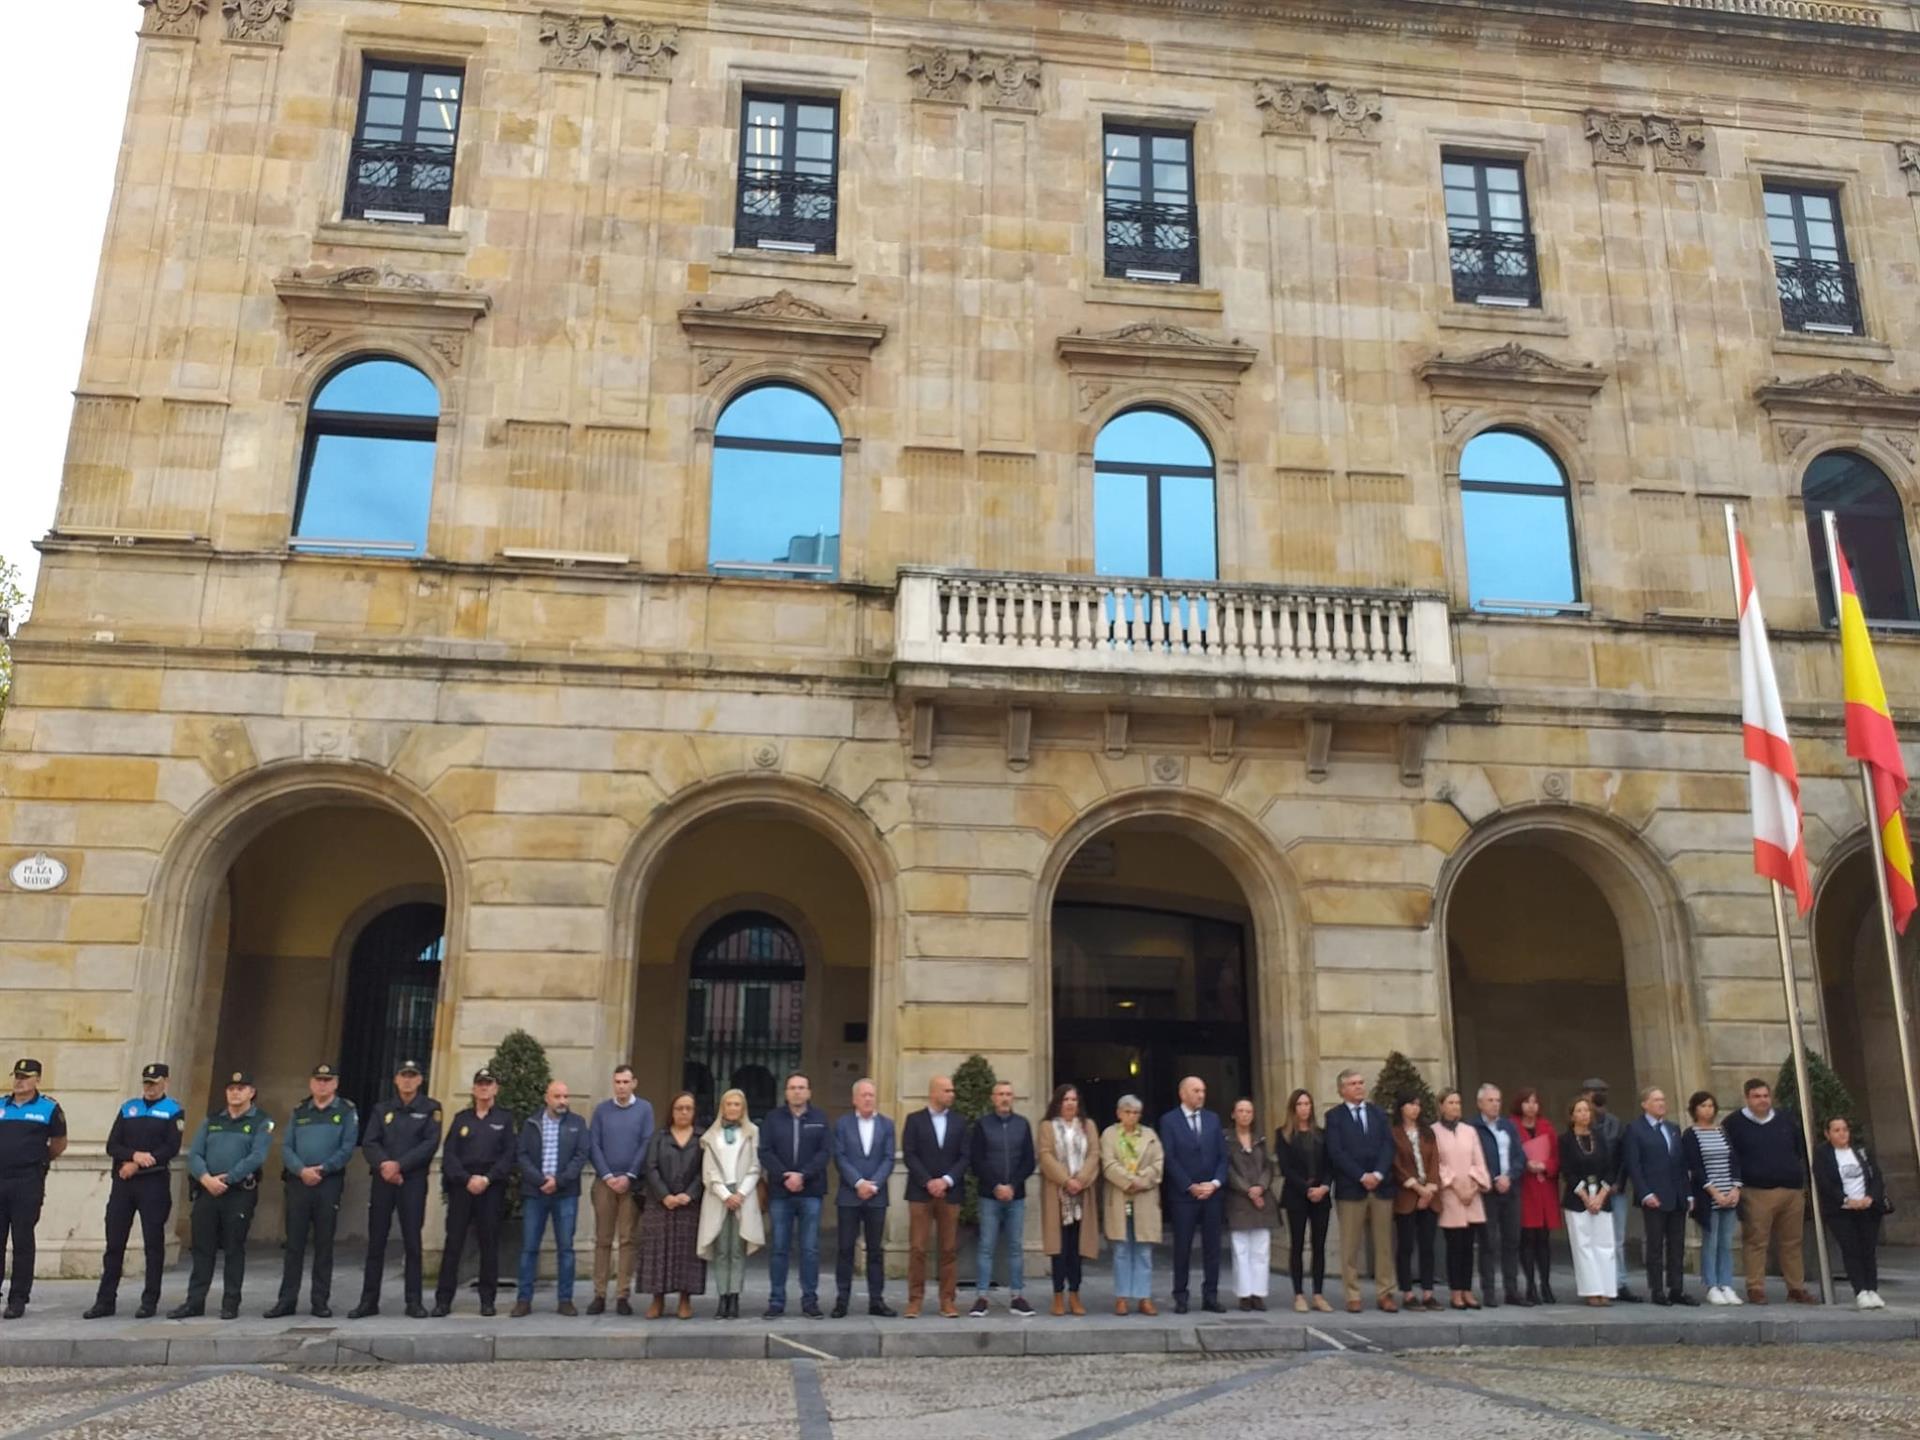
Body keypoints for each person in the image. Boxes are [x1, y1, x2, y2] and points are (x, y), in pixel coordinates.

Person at [169, 1070, 272, 1319]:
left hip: (238, 1192)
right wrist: (205, 1178)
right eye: (231, 1088)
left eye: (241, 1088)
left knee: (234, 1248)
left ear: (251, 1092)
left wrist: (228, 1178)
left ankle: (230, 1303)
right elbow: (195, 1154)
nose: (235, 1092)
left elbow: (257, 1156)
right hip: (208, 1191)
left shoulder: (262, 1121)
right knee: (202, 1249)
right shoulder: (213, 1120)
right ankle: (195, 1301)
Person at [86, 1061, 183, 1320]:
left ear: (166, 1082)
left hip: (153, 1183)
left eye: (155, 1083)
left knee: (153, 1244)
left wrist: (138, 1163)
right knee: (114, 1244)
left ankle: (149, 1300)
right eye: (147, 1083)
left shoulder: (173, 1110)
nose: (150, 1088)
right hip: (124, 1184)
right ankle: (105, 1300)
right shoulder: (129, 1108)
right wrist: (134, 1155)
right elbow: (112, 1145)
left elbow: (170, 1147)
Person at [265, 1062, 359, 1319]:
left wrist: (323, 1169)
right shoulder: (300, 1111)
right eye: (318, 1080)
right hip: (298, 1183)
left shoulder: (346, 1111)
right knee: (293, 1244)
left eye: (327, 1081)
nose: (322, 1084)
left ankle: (320, 1301)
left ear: (336, 1084)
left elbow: (348, 1146)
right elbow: (287, 1147)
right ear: (311, 1083)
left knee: (323, 1244)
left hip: (328, 1183)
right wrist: (300, 1169)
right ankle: (287, 1300)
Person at [350, 1059, 442, 1320]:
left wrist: (400, 1165)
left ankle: (413, 1301)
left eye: (413, 1076)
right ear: (396, 1079)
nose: (408, 1080)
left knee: (413, 1243)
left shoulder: (431, 1108)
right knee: (376, 1243)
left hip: (411, 1182)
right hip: (383, 1181)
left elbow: (429, 1144)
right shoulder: (382, 1109)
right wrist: (385, 1166)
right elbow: (370, 1142)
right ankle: (369, 1301)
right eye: (404, 1075)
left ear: (420, 1080)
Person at [1723, 1078, 1817, 1305]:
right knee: (1756, 1241)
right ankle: (1755, 1287)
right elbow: (1730, 1156)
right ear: (1747, 1098)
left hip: (1791, 1191)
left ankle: (1796, 1287)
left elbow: (1799, 1149)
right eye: (1757, 1096)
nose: (1762, 1100)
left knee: (1792, 1242)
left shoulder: (1786, 1119)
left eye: (1766, 1096)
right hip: (1756, 1192)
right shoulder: (1734, 1123)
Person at [432, 1067, 516, 1317]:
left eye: (488, 1084)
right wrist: (466, 1179)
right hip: (462, 1188)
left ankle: (487, 1300)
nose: (483, 1088)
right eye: (479, 1084)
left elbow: (509, 1154)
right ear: (473, 1089)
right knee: (454, 1244)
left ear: (496, 1089)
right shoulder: (461, 1119)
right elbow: (450, 1155)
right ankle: (443, 1300)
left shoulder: (504, 1119)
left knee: (489, 1245)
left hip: (491, 1189)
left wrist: (488, 1178)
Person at [514, 1078, 589, 1317]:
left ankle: (565, 1299)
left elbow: (581, 1155)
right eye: (557, 1097)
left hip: (565, 1193)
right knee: (529, 1248)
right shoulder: (531, 1123)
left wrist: (559, 1180)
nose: (562, 1101)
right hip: (535, 1193)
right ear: (547, 1098)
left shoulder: (577, 1123)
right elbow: (522, 1155)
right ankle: (524, 1299)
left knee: (566, 1248)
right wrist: (540, 1180)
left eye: (566, 1097)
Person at [1, 1059, 69, 1320]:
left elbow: (59, 1143)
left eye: (25, 1077)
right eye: (17, 1076)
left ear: (37, 1079)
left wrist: (38, 1162)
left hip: (27, 1181)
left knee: (22, 1240)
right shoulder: (1, 1105)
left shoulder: (48, 1108)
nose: (19, 1081)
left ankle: (18, 1298)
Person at [759, 1071, 831, 1319]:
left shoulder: (820, 1118)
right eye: (792, 1087)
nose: (797, 1091)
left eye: (802, 1087)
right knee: (779, 1247)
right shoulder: (772, 1118)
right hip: (781, 1192)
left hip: (811, 1192)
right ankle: (776, 1300)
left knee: (809, 1248)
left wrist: (802, 1176)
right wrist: (785, 1176)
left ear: (809, 1092)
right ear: (786, 1092)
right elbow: (765, 1152)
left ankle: (810, 1300)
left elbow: (824, 1153)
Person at [1325, 1067, 1397, 1313]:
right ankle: (1352, 1294)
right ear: (1342, 1089)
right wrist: (1360, 1175)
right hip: (1351, 1188)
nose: (1359, 1087)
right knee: (1350, 1245)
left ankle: (1385, 1292)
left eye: (1361, 1082)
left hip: (1380, 1187)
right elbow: (1336, 1152)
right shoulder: (1334, 1117)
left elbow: (1388, 1145)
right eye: (1353, 1084)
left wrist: (1377, 1174)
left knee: (1384, 1244)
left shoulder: (1378, 1114)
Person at [587, 1063, 655, 1317]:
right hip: (604, 1183)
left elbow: (646, 1142)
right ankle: (599, 1293)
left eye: (626, 1082)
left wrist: (629, 1175)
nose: (621, 1086)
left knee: (628, 1240)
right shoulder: (602, 1110)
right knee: (603, 1240)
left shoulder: (644, 1109)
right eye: (617, 1082)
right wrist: (607, 1175)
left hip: (631, 1183)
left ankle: (623, 1294)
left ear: (634, 1083)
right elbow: (594, 1143)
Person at [902, 1074, 969, 1318]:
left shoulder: (959, 1122)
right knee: (918, 1247)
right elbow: (910, 1154)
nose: (952, 1094)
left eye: (952, 1090)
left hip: (950, 1193)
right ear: (934, 1093)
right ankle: (915, 1300)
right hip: (921, 1192)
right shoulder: (914, 1120)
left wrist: (946, 1180)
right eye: (947, 1090)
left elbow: (965, 1156)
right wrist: (928, 1181)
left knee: (949, 1248)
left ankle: (947, 1300)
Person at [1161, 1075, 1228, 1315]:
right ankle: (1181, 1295)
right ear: (1183, 1094)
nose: (1201, 1095)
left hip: (1212, 1194)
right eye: (1196, 1091)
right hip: (1184, 1196)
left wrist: (1215, 1183)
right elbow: (1169, 1158)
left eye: (1203, 1090)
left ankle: (1211, 1295)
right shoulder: (1169, 1121)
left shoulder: (1213, 1119)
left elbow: (1223, 1156)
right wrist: (1189, 1185)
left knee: (1212, 1247)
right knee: (1183, 1247)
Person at [1622, 1085, 1695, 1307]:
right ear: (1645, 1104)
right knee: (1655, 1246)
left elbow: (1681, 1164)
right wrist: (1645, 1193)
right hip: (1654, 1196)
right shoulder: (1635, 1129)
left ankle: (1676, 1288)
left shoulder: (1673, 1128)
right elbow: (1634, 1165)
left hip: (1677, 1196)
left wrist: (1689, 1194)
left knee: (1677, 1246)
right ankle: (1657, 1289)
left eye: (1663, 1099)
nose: (1661, 1103)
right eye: (1656, 1100)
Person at [969, 1080, 1036, 1316]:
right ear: (993, 1098)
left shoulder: (1022, 1125)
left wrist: (1013, 1185)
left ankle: (1017, 1296)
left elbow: (1029, 1160)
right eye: (1000, 1094)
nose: (1005, 1098)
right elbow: (976, 1160)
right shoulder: (982, 1125)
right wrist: (996, 1185)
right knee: (986, 1246)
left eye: (1009, 1094)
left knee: (1015, 1247)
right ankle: (982, 1297)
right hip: (989, 1195)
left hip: (1016, 1196)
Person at [638, 1091, 706, 1319]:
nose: (684, 1112)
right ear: (672, 1111)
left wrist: (690, 1193)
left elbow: (705, 1171)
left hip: (690, 1204)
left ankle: (685, 1300)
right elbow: (651, 1167)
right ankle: (657, 1299)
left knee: (686, 1253)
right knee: (659, 1252)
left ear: (694, 1112)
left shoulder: (701, 1138)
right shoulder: (660, 1136)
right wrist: (664, 1195)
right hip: (660, 1204)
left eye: (688, 1108)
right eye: (679, 1108)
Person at [696, 1087, 763, 1319]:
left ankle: (734, 1297)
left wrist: (740, 1194)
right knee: (721, 1248)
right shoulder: (711, 1136)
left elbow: (755, 1167)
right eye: (729, 1104)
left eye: (737, 1104)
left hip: (742, 1194)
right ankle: (722, 1296)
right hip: (719, 1196)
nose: (733, 1108)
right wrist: (725, 1194)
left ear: (743, 1108)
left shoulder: (752, 1132)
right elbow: (709, 1171)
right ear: (722, 1107)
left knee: (737, 1249)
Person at [831, 1077, 895, 1318]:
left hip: (876, 1197)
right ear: (854, 1099)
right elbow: (840, 1157)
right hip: (850, 1195)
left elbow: (888, 1158)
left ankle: (876, 1301)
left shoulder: (887, 1125)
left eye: (871, 1095)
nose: (868, 1099)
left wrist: (873, 1184)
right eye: (864, 1095)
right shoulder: (842, 1124)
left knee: (876, 1251)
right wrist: (858, 1182)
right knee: (845, 1249)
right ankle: (842, 1300)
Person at [1037, 1083, 1100, 1316]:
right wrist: (1066, 1181)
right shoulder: (1047, 1126)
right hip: (1058, 1194)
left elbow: (1094, 1153)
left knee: (1077, 1248)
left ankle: (1075, 1294)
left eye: (1074, 1099)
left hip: (1082, 1194)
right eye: (1066, 1099)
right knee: (1059, 1248)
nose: (1070, 1103)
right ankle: (1057, 1296)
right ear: (1058, 1102)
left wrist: (1081, 1180)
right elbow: (1045, 1156)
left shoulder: (1088, 1125)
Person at [1814, 1115, 1888, 1310]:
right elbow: (1825, 1183)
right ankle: (1861, 1290)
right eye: (1837, 1130)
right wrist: (1846, 1200)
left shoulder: (1861, 1152)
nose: (1842, 1134)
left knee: (1868, 1250)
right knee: (1851, 1249)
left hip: (1867, 1208)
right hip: (1842, 1211)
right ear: (1827, 1134)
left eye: (1845, 1129)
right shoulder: (1823, 1155)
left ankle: (1873, 1289)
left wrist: (1870, 1198)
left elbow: (1876, 1177)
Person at [1101, 1095, 1163, 1315]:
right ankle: (1122, 1296)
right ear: (1119, 1113)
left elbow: (1158, 1164)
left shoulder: (1150, 1135)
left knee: (1144, 1250)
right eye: (1128, 1112)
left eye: (1136, 1113)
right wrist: (1127, 1181)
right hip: (1119, 1198)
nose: (1132, 1116)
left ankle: (1143, 1296)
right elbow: (1108, 1163)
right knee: (1121, 1250)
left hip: (1144, 1199)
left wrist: (1140, 1181)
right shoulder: (1109, 1134)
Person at [1681, 1090, 1743, 1307]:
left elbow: (1734, 1159)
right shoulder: (1690, 1134)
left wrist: (1736, 1187)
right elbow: (1695, 1166)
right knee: (1711, 1241)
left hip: (1730, 1192)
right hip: (1709, 1195)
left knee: (1726, 1242)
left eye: (1710, 1105)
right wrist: (1714, 1191)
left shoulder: (1722, 1131)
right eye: (1703, 1106)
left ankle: (1726, 1283)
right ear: (1694, 1109)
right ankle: (1711, 1285)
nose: (1708, 1109)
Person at [1276, 1087, 1332, 1313]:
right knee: (1297, 1245)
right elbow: (1285, 1167)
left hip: (1321, 1196)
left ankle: (1318, 1294)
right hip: (1296, 1196)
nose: (1304, 1109)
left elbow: (1330, 1164)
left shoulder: (1322, 1134)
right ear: (1293, 1108)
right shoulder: (1283, 1135)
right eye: (1300, 1104)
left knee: (1319, 1246)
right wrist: (1306, 1188)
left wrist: (1323, 1187)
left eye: (1307, 1104)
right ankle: (1298, 1294)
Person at [1434, 1088, 1491, 1310]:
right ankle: (1455, 1291)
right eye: (1450, 1103)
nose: (1455, 1106)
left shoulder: (1470, 1131)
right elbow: (1437, 1164)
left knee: (1468, 1247)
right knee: (1454, 1246)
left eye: (1458, 1103)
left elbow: (1479, 1161)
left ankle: (1467, 1290)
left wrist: (1474, 1185)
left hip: (1471, 1195)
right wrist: (1455, 1186)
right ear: (1441, 1106)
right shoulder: (1434, 1132)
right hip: (1450, 1195)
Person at [1582, 1077, 1638, 1302]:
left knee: (1617, 1238)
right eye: (1593, 1092)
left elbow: (1623, 1156)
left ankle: (1619, 1281)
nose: (1597, 1096)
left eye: (1601, 1092)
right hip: (1590, 1189)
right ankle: (1597, 1284)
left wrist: (1617, 1182)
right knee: (1592, 1238)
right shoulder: (1582, 1123)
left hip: (1614, 1188)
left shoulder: (1615, 1122)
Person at [1472, 1083, 1527, 1307]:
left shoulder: (1508, 1126)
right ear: (1480, 1103)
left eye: (1498, 1100)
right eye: (1490, 1100)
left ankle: (1512, 1289)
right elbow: (1474, 1159)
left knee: (1512, 1240)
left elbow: (1519, 1157)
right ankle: (1489, 1291)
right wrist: (1493, 1178)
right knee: (1488, 1242)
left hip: (1510, 1189)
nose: (1495, 1105)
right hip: (1488, 1192)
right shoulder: (1473, 1128)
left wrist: (1509, 1176)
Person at [1559, 1096, 1617, 1306]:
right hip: (1578, 1197)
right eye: (1579, 1111)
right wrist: (1585, 1197)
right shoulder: (1565, 1140)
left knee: (1604, 1244)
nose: (1584, 1114)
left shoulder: (1599, 1137)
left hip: (1601, 1195)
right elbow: (1567, 1171)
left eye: (1587, 1111)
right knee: (1583, 1245)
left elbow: (1610, 1169)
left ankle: (1607, 1289)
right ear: (1572, 1115)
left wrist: (1601, 1195)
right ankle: (1592, 1290)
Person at [1389, 1092, 1441, 1311]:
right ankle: (1408, 1293)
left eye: (1418, 1105)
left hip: (1429, 1195)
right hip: (1407, 1195)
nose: (1415, 1109)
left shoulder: (1427, 1133)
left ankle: (1428, 1292)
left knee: (1428, 1246)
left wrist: (1429, 1189)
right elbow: (1396, 1165)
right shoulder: (1394, 1133)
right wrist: (1417, 1188)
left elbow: (1435, 1161)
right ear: (1401, 1108)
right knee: (1406, 1245)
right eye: (1411, 1104)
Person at [1224, 1097, 1276, 1311]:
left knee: (1261, 1249)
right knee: (1241, 1249)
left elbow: (1268, 1167)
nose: (1245, 1115)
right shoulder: (1226, 1140)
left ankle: (1259, 1293)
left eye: (1249, 1111)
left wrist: (1260, 1187)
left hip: (1261, 1200)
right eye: (1241, 1111)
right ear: (1234, 1114)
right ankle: (1244, 1294)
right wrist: (1247, 1190)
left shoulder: (1260, 1140)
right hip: (1239, 1200)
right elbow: (1228, 1169)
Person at [1512, 1087, 1560, 1305]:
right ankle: (1530, 1285)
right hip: (1524, 1188)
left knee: (1543, 1239)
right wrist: (1525, 1165)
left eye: (1535, 1102)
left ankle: (1546, 1285)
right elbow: (1509, 1155)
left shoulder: (1546, 1127)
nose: (1531, 1106)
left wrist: (1545, 1165)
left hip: (1544, 1188)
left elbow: (1557, 1158)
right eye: (1527, 1102)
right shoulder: (1511, 1126)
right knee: (1527, 1239)